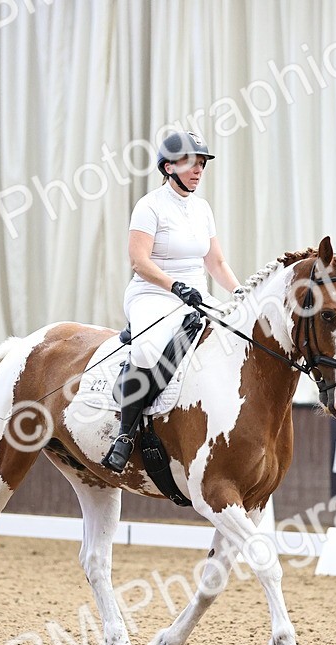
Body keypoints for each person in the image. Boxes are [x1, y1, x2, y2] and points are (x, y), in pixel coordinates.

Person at [101, 130, 243, 472]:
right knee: (149, 349)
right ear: (168, 167)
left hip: (196, 293)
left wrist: (240, 294)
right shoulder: (149, 206)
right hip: (153, 293)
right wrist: (175, 286)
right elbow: (139, 260)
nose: (198, 170)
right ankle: (125, 433)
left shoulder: (202, 209)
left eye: (202, 163)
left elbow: (216, 262)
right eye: (190, 163)